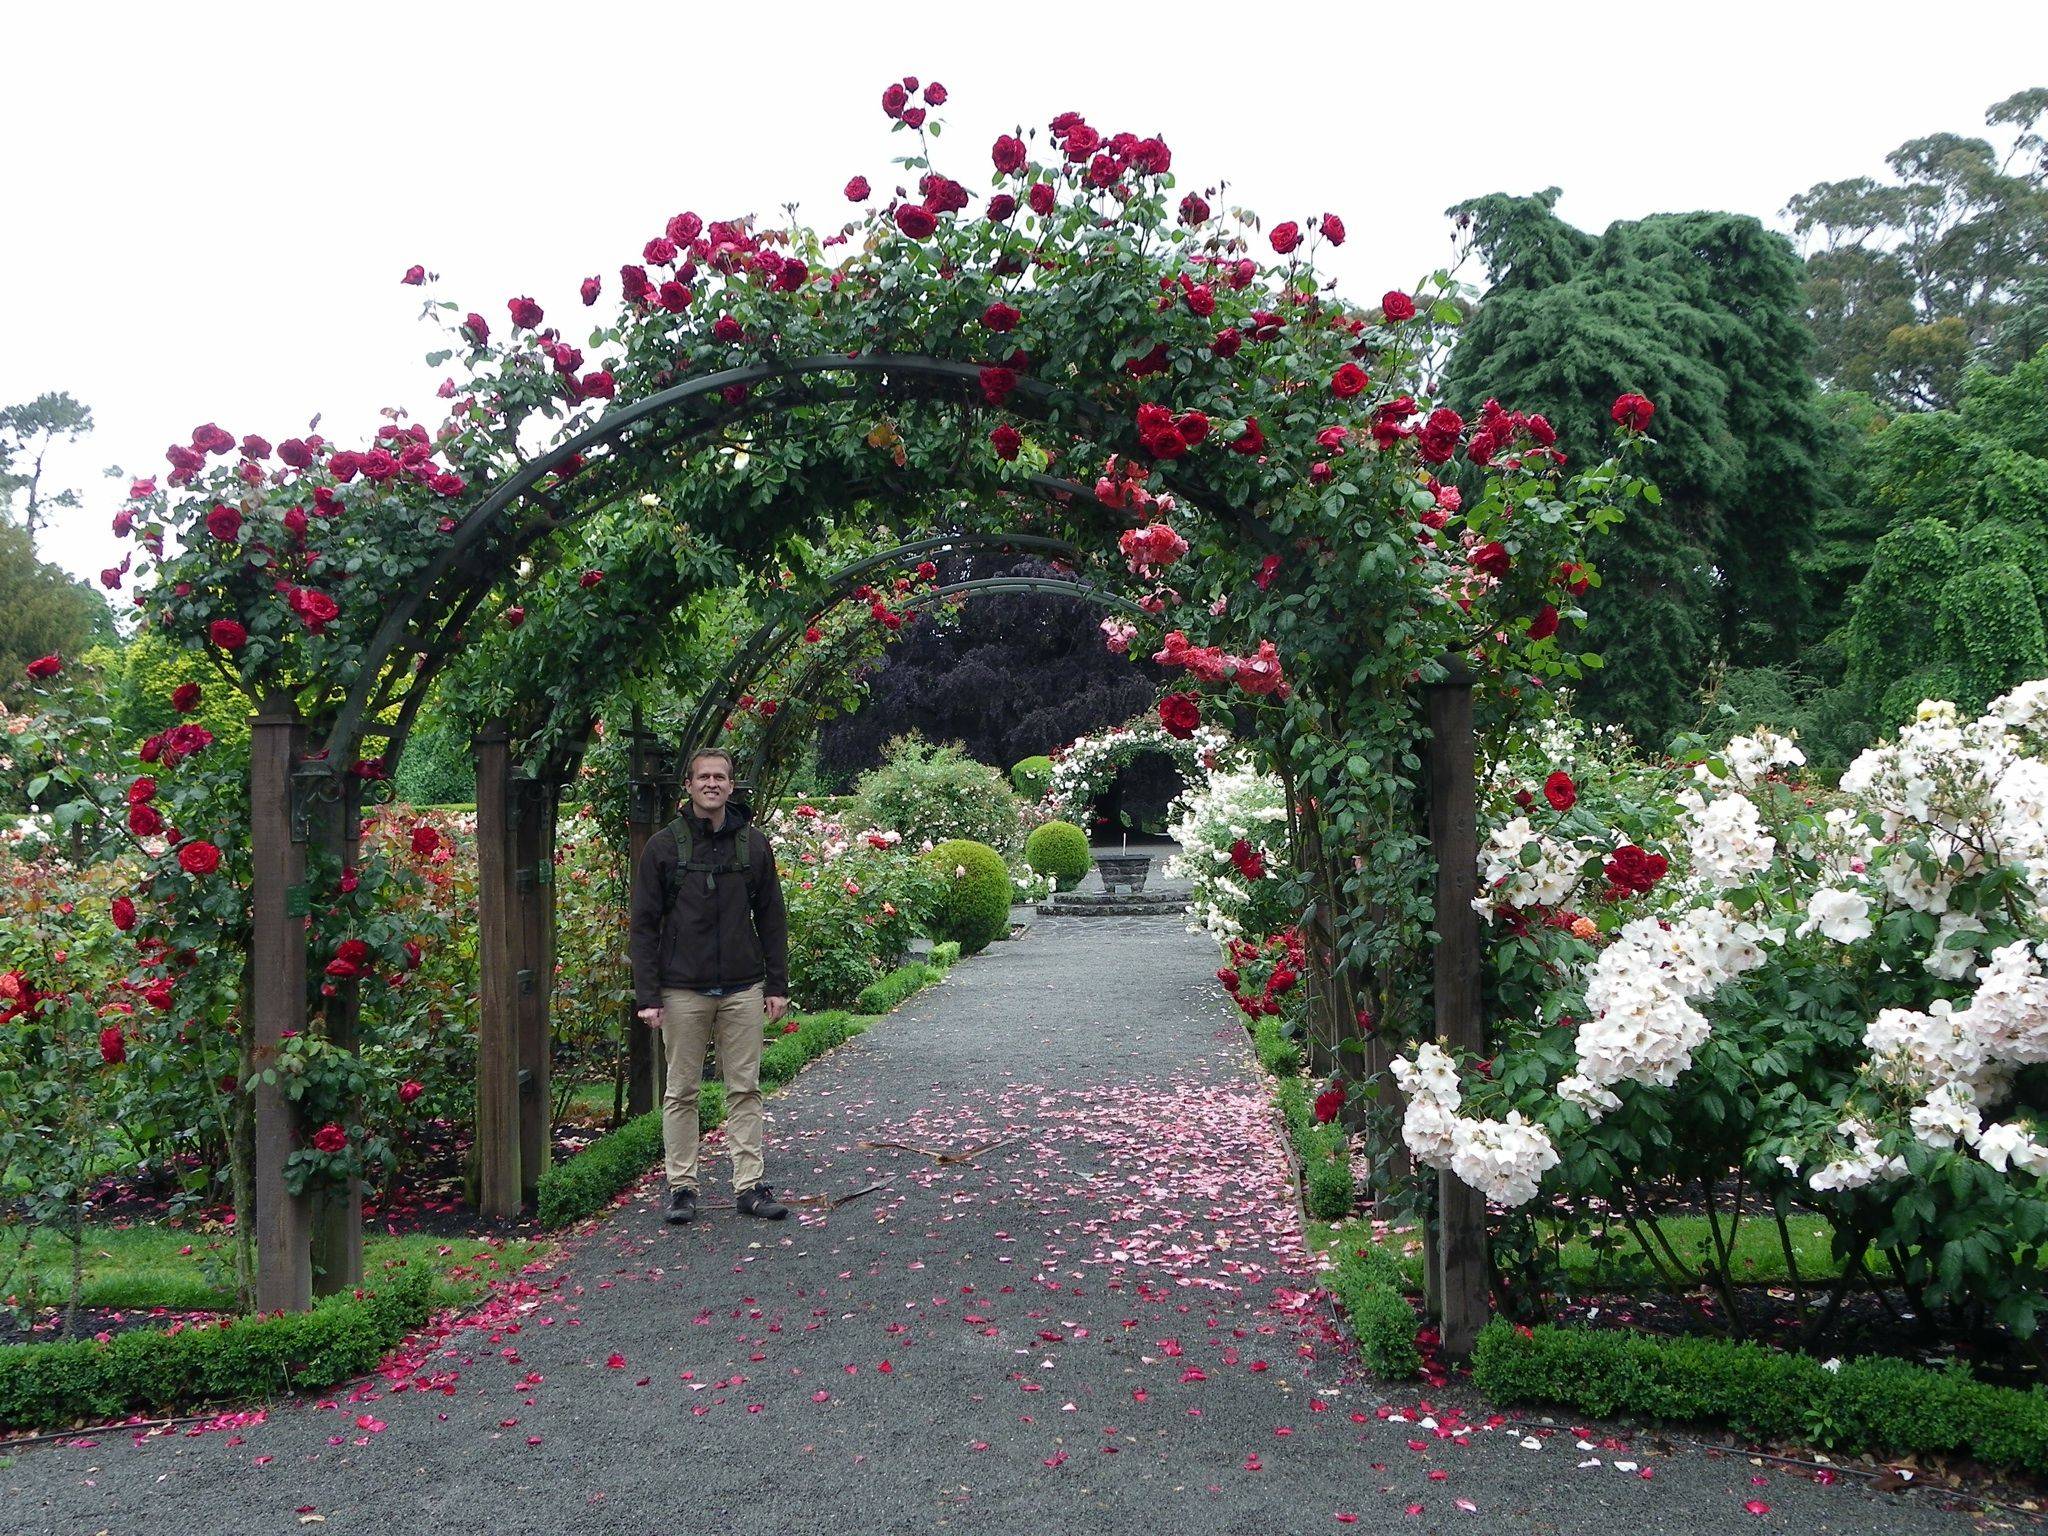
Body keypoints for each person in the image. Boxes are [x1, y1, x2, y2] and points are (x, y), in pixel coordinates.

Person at [630, 747, 791, 1224]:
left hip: (742, 988)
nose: (712, 784)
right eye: (704, 777)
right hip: (683, 990)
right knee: (682, 1092)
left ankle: (750, 1186)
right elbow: (643, 926)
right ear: (689, 785)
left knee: (745, 1089)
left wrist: (776, 985)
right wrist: (648, 996)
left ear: (731, 785)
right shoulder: (663, 848)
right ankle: (682, 1188)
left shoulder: (753, 845)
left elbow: (772, 917)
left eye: (720, 777)